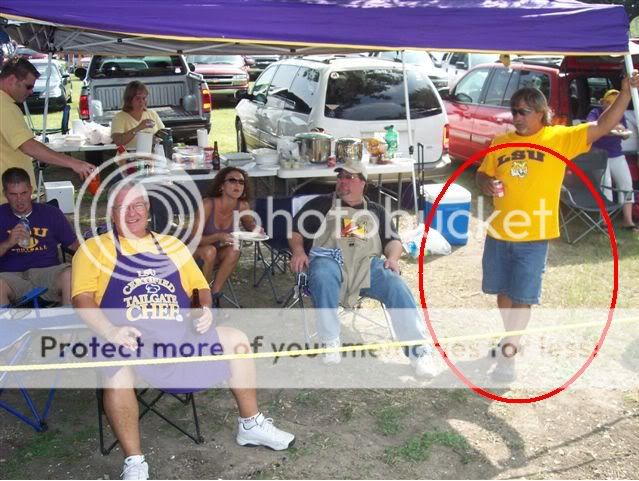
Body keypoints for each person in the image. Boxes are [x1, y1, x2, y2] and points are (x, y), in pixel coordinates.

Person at [71, 180, 294, 480]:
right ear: (112, 212)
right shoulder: (93, 249)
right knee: (116, 369)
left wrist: (204, 310)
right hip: (126, 338)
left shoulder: (172, 245)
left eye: (138, 205)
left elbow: (200, 288)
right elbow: (82, 299)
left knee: (237, 339)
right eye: (123, 207)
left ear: (148, 209)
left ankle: (250, 424)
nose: (131, 213)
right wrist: (110, 332)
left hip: (177, 335)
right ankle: (135, 461)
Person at [476, 71, 639, 382]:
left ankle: (509, 352)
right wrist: (486, 183)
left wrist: (626, 93)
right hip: (499, 232)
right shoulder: (500, 142)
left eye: (523, 111)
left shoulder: (558, 138)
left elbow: (603, 125)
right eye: (514, 111)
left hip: (534, 236)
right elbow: (483, 173)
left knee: (522, 295)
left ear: (541, 113)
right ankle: (511, 338)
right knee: (502, 292)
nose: (516, 117)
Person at [288, 164, 437, 378]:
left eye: (349, 177)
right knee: (322, 274)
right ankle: (330, 341)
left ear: (363, 183)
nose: (342, 181)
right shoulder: (320, 204)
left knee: (395, 284)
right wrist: (298, 251)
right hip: (329, 261)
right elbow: (295, 232)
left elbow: (393, 241)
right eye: (340, 177)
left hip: (365, 265)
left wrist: (392, 259)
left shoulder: (376, 210)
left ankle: (419, 351)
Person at [0, 57, 94, 203]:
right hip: (7, 198)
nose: (31, 92)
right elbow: (28, 146)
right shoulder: (5, 107)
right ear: (12, 79)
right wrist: (74, 163)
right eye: (28, 86)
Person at [0, 167, 79, 306]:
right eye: (13, 194)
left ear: (31, 190)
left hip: (47, 274)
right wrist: (8, 243)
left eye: (24, 193)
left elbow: (74, 245)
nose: (19, 200)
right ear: (5, 194)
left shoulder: (51, 213)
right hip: (11, 278)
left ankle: (67, 318)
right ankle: (6, 320)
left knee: (70, 275)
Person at [193, 167, 257, 299]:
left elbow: (249, 224)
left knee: (235, 250)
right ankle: (203, 295)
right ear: (221, 186)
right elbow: (194, 240)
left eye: (241, 182)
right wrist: (218, 236)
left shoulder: (242, 206)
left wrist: (256, 229)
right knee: (209, 251)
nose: (237, 185)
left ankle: (214, 294)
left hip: (214, 254)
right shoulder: (207, 204)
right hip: (192, 254)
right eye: (232, 180)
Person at [586, 89, 638, 230]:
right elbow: (592, 129)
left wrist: (623, 133)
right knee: (605, 184)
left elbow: (625, 134)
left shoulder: (619, 114)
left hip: (616, 154)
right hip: (598, 155)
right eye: (608, 102)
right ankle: (604, 220)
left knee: (627, 184)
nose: (611, 106)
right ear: (602, 102)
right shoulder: (595, 113)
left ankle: (628, 221)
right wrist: (611, 129)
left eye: (614, 103)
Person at [110, 80, 165, 151]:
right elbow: (118, 142)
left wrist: (156, 138)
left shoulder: (152, 113)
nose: (141, 101)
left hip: (151, 155)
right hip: (128, 156)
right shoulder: (119, 117)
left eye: (144, 98)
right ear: (129, 99)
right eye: (138, 98)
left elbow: (164, 134)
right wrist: (138, 128)